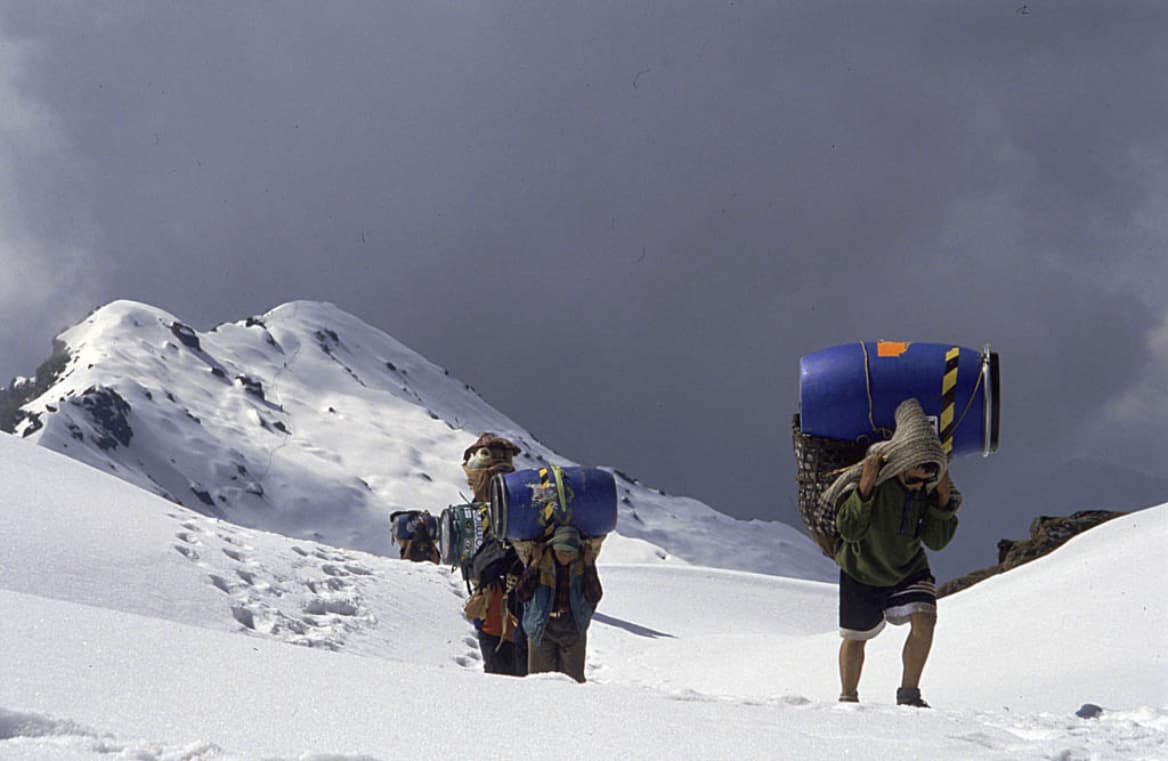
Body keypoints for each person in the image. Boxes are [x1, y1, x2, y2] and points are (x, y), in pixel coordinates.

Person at [820, 398, 961, 708]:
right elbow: (850, 530)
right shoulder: (871, 478)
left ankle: (909, 694)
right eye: (913, 478)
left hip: (908, 567)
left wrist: (941, 503)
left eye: (926, 479)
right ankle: (848, 697)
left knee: (925, 620)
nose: (918, 484)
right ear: (900, 463)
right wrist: (866, 488)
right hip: (861, 569)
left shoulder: (928, 488)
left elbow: (936, 541)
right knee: (856, 636)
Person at [460, 432, 527, 674]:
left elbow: (469, 560)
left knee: (501, 674)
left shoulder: (478, 512)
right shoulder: (521, 506)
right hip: (517, 610)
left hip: (495, 611)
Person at [514, 524, 603, 683]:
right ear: (553, 547)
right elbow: (522, 593)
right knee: (541, 682)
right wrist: (534, 564)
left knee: (573, 683)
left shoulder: (582, 564)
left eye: (570, 553)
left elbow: (594, 595)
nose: (566, 557)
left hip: (572, 626)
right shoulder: (541, 562)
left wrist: (589, 566)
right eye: (561, 552)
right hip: (542, 627)